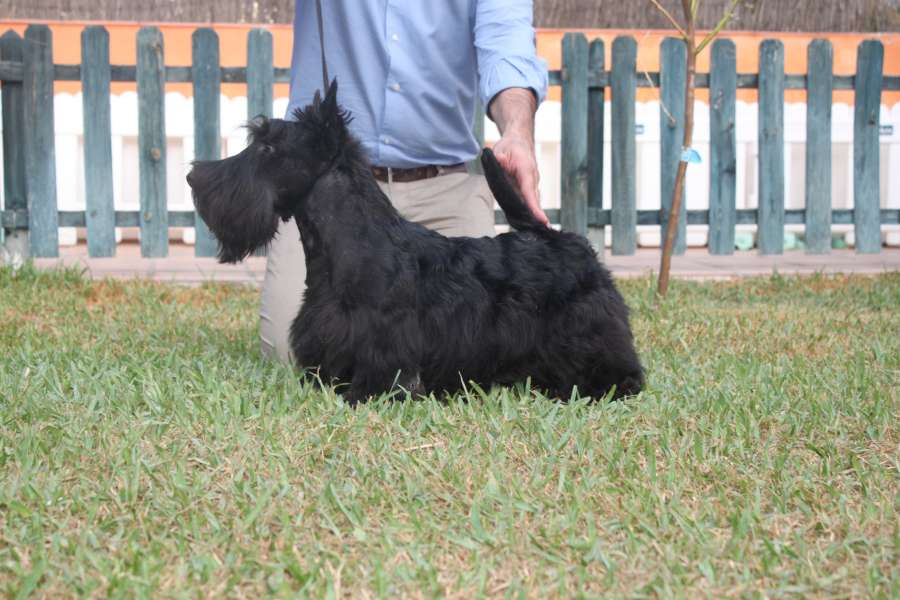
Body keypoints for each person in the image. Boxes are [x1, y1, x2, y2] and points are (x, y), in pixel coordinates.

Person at [260, 1, 549, 363]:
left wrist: (517, 131)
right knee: (292, 354)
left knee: (469, 353)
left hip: (444, 190)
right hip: (333, 194)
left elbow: (506, 42)